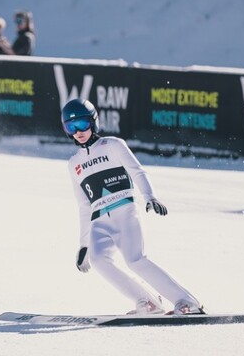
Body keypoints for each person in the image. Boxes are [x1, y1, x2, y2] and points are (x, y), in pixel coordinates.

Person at [62, 98, 204, 315]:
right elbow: (83, 206)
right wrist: (83, 246)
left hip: (125, 212)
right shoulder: (74, 164)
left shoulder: (113, 145)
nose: (78, 131)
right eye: (71, 127)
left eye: (82, 124)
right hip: (99, 220)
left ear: (93, 122)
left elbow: (137, 171)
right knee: (99, 260)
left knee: (136, 260)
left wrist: (150, 197)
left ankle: (188, 302)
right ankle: (147, 303)